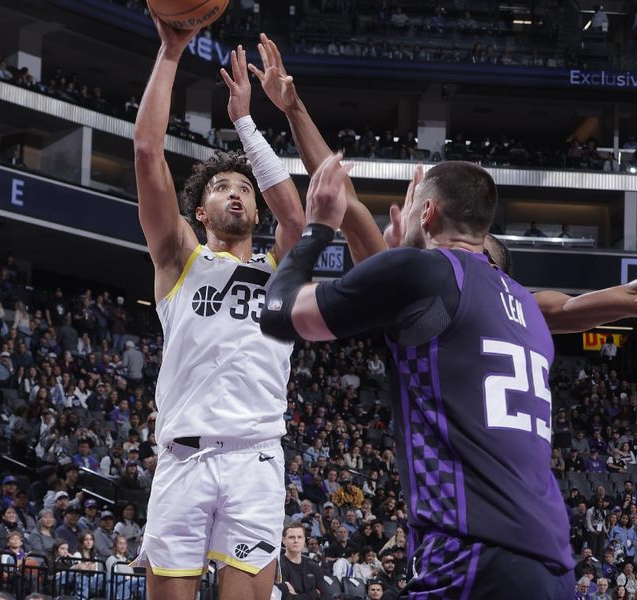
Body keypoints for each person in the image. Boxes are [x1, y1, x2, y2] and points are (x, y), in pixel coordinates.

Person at [260, 157, 574, 597]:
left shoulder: (424, 270)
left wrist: (319, 227)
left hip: (474, 554)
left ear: (427, 213)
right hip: (554, 565)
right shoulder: (525, 305)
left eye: (411, 207)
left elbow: (279, 313)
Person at [132, 16, 305, 600]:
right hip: (182, 460)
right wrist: (170, 52)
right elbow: (146, 149)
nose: (236, 193)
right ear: (200, 213)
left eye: (245, 188)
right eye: (221, 188)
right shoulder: (179, 258)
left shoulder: (279, 268)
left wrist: (246, 125)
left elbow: (299, 221)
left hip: (254, 462)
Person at [276, 522, 325, 599]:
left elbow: (325, 595)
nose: (296, 541)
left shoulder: (313, 566)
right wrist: (315, 593)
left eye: (299, 537)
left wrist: (297, 596)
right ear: (283, 540)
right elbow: (286, 598)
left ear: (304, 540)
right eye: (291, 537)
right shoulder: (278, 566)